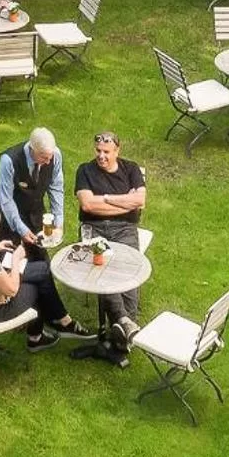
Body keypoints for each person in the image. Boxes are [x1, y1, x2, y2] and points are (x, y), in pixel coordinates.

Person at [0, 203, 90, 351]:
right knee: (38, 283)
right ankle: (40, 335)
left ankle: (55, 323)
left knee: (41, 270)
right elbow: (12, 290)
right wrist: (16, 259)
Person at [73, 131, 148, 365]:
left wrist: (103, 199)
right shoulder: (84, 170)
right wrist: (121, 201)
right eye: (98, 151)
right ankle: (126, 324)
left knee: (129, 270)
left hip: (125, 228)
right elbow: (87, 204)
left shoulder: (132, 169)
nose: (101, 156)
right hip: (93, 228)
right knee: (102, 267)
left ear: (117, 151)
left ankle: (122, 329)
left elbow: (139, 201)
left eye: (106, 152)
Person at [0, 127, 66, 260]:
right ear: (32, 149)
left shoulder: (55, 155)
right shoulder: (9, 160)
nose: (48, 162)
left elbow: (56, 188)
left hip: (35, 213)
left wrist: (58, 222)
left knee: (41, 264)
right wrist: (21, 228)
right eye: (43, 157)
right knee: (9, 263)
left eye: (50, 157)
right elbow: (6, 199)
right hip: (9, 215)